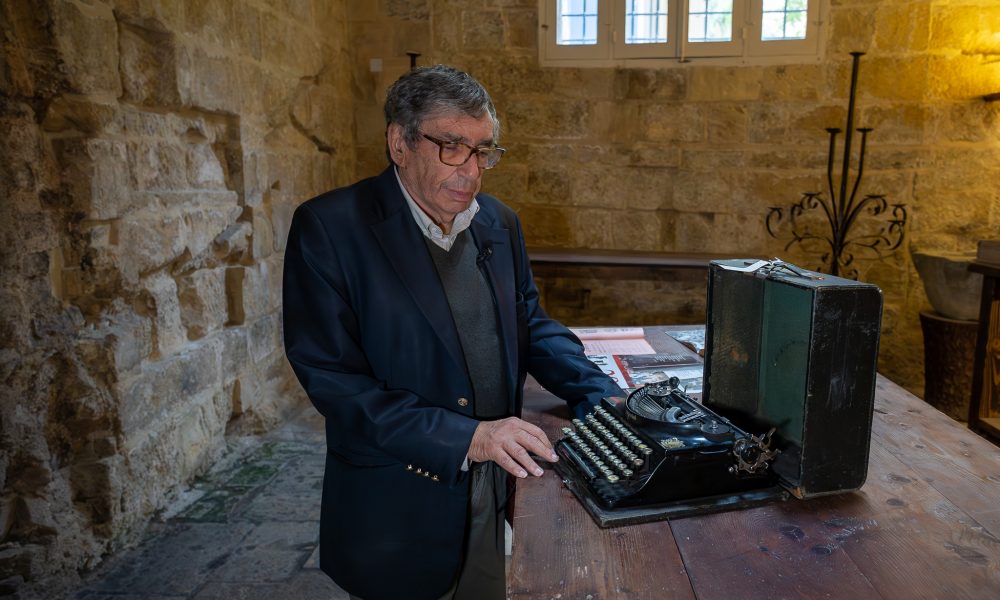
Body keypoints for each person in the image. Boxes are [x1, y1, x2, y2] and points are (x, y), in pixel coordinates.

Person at [282, 65, 621, 600]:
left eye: (484, 150)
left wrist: (601, 393)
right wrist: (469, 437)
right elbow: (334, 381)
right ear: (400, 142)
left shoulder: (499, 223)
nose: (472, 170)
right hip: (398, 494)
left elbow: (529, 323)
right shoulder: (331, 228)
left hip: (491, 484)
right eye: (452, 147)